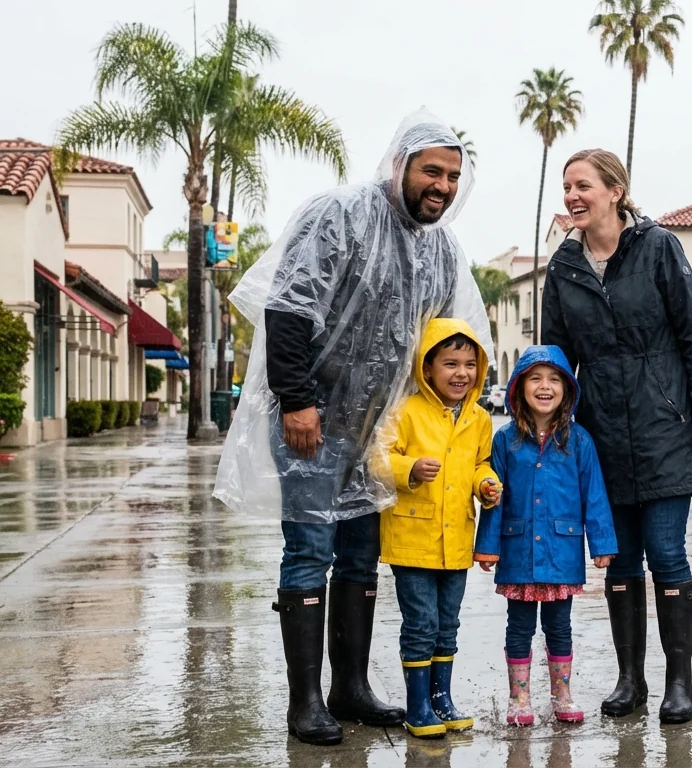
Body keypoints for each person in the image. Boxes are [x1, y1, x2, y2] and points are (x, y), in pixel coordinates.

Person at [213, 109, 492, 746]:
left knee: (363, 558)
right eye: (432, 171)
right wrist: (296, 401)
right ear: (400, 165)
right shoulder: (340, 215)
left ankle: (351, 688)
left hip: (378, 435)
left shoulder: (441, 249)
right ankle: (306, 702)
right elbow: (289, 308)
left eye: (453, 177)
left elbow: (439, 341)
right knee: (311, 550)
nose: (442, 186)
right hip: (314, 424)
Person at [541, 149, 692, 725]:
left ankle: (678, 683)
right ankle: (630, 680)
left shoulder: (658, 247)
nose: (572, 196)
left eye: (583, 185)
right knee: (618, 560)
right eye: (567, 187)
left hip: (665, 426)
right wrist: (550, 426)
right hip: (601, 436)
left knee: (666, 553)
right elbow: (555, 357)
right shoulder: (563, 268)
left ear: (615, 191)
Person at [473, 345, 617, 726]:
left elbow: (594, 494)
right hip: (518, 550)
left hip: (561, 551)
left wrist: (602, 543)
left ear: (567, 389)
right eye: (535, 378)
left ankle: (562, 694)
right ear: (519, 387)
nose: (544, 386)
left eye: (554, 379)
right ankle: (519, 699)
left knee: (559, 626)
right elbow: (494, 499)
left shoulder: (579, 441)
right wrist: (487, 546)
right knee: (519, 626)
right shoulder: (505, 441)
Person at [382, 317, 500, 738]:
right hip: (412, 539)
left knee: (447, 624)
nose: (461, 373)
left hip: (457, 539)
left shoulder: (479, 418)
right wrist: (409, 468)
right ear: (427, 368)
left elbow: (480, 463)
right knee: (421, 624)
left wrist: (486, 484)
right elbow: (378, 459)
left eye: (469, 364)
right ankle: (418, 707)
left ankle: (441, 699)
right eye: (450, 363)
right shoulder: (406, 411)